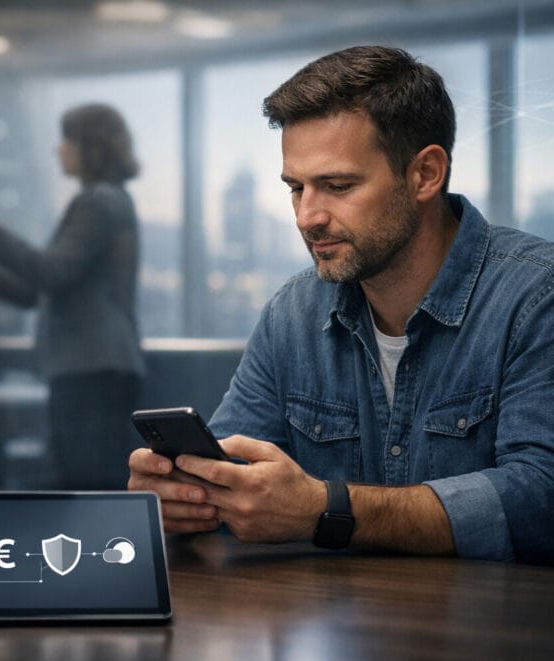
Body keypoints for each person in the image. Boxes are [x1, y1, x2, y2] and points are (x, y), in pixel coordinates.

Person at [128, 45, 554, 564]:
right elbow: (231, 475)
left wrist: (327, 511)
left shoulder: (536, 297)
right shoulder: (292, 314)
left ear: (425, 174)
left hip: (503, 633)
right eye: (295, 188)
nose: (307, 216)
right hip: (335, 630)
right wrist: (187, 495)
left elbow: (541, 499)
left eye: (337, 186)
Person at [0, 103, 145, 490]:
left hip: (92, 369)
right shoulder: (103, 200)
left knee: (87, 486)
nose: (58, 148)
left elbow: (51, 272)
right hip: (89, 367)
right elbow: (39, 291)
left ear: (89, 146)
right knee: (80, 482)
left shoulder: (100, 201)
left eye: (66, 139)